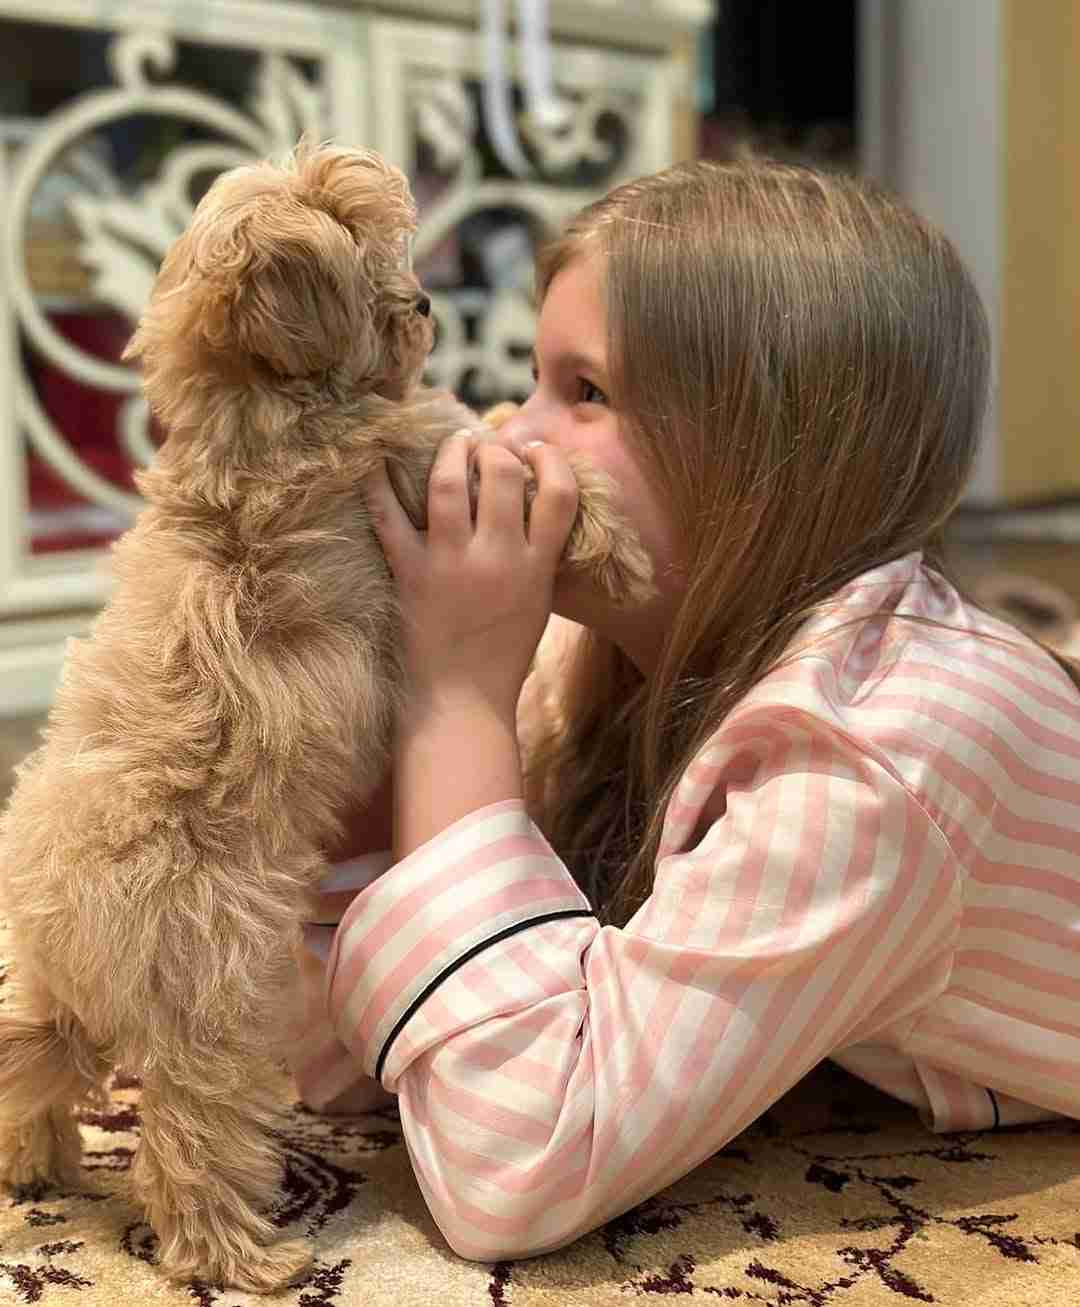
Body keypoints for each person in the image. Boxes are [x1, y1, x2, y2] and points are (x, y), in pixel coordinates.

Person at [287, 159, 1080, 1262]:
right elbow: (331, 1042)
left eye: (589, 393)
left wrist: (454, 702)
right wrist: (368, 789)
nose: (514, 440)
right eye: (534, 377)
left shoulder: (876, 746)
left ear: (773, 454)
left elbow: (511, 1160)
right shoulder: (612, 643)